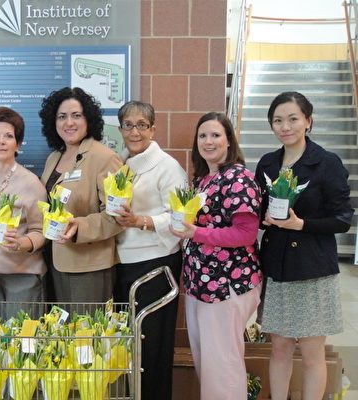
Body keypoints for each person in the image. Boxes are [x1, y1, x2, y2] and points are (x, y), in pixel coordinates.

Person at [256, 92, 353, 400]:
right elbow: (259, 212)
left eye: (293, 119)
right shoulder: (268, 163)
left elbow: (342, 219)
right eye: (278, 121)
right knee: (279, 348)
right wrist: (264, 219)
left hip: (313, 270)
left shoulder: (326, 162)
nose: (285, 127)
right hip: (277, 269)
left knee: (312, 354)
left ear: (308, 121)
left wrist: (302, 225)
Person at [170, 112, 263, 400]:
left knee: (223, 366)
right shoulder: (204, 179)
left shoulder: (239, 178)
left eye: (215, 135)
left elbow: (245, 233)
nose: (208, 141)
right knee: (208, 365)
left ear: (229, 140)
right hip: (201, 286)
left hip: (227, 285)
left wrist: (196, 233)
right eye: (202, 135)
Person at [112, 101, 187, 400]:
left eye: (142, 125)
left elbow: (180, 218)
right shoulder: (119, 164)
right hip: (123, 264)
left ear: (153, 129)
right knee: (128, 345)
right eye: (128, 125)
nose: (135, 131)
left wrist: (141, 221)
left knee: (152, 345)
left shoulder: (168, 166)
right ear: (120, 129)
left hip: (156, 264)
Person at [39, 87, 123, 303]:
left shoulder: (104, 158)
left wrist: (80, 227)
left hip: (87, 266)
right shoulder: (54, 158)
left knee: (84, 325)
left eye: (76, 115)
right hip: (52, 260)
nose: (69, 123)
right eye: (62, 116)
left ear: (88, 119)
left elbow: (117, 217)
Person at [0, 107, 47, 319]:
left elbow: (42, 231)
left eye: (8, 136)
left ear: (18, 144)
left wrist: (21, 243)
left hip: (23, 277)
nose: (1, 141)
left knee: (21, 338)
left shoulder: (31, 182)